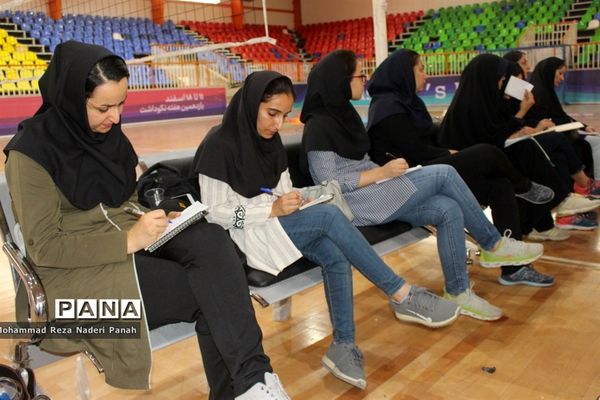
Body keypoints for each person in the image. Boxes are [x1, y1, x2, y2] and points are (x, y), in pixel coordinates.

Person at [3, 41, 290, 400]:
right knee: (214, 293)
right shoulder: (29, 155)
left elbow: (122, 200)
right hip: (68, 293)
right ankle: (251, 384)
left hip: (125, 246)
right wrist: (128, 240)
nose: (115, 118)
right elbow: (44, 247)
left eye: (121, 104)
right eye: (103, 107)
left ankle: (255, 382)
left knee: (211, 238)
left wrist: (162, 216)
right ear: (71, 99)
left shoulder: (107, 137)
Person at [193, 70, 462, 391]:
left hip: (277, 225)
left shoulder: (270, 143)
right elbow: (214, 214)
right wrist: (271, 209)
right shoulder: (218, 144)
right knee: (330, 217)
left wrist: (295, 199)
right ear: (252, 105)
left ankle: (343, 347)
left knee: (335, 253)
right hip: (242, 236)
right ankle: (401, 293)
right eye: (272, 113)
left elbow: (280, 191)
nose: (278, 124)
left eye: (284, 116)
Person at [300, 50, 544, 320]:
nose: (364, 80)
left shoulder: (346, 116)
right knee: (444, 173)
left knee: (447, 208)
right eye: (359, 75)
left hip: (377, 191)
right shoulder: (318, 125)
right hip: (356, 203)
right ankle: (493, 244)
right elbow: (328, 184)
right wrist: (381, 173)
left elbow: (362, 162)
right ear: (340, 80)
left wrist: (383, 174)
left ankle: (458, 291)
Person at [366, 48, 554, 287]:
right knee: (486, 152)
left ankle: (514, 269)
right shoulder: (387, 108)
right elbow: (413, 151)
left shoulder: (408, 103)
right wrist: (449, 153)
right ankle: (525, 188)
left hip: (428, 168)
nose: (426, 75)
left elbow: (426, 142)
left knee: (500, 186)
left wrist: (449, 152)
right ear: (404, 73)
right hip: (411, 178)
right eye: (421, 69)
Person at [438, 54, 600, 236]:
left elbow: (494, 137)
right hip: (466, 169)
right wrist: (521, 115)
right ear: (487, 78)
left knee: (529, 150)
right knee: (524, 156)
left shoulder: (480, 102)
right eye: (501, 79)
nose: (502, 84)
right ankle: (557, 205)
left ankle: (549, 215)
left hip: (485, 159)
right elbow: (489, 141)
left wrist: (519, 127)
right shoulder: (469, 107)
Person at [526, 56, 600, 191]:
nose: (562, 78)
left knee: (595, 139)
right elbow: (549, 121)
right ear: (549, 72)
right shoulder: (537, 95)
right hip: (556, 136)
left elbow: (562, 116)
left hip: (563, 132)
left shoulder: (546, 92)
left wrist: (584, 126)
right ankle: (593, 184)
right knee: (596, 143)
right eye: (560, 73)